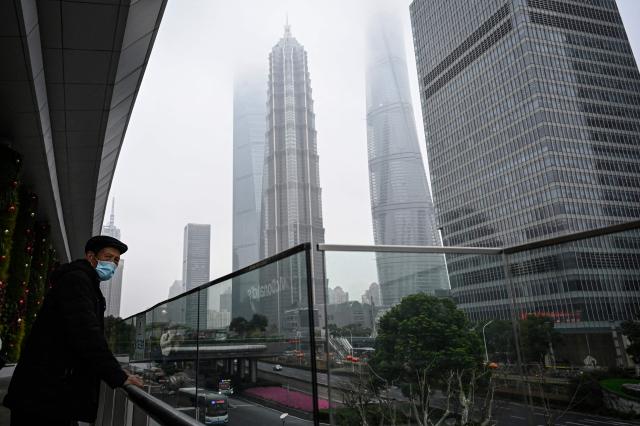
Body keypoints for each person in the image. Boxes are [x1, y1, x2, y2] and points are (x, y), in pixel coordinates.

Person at [3, 235, 144, 426]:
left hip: (51, 393)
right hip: (43, 395)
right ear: (91, 257)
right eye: (108, 257)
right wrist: (117, 375)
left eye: (116, 261)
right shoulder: (77, 281)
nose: (113, 264)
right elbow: (87, 333)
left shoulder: (86, 284)